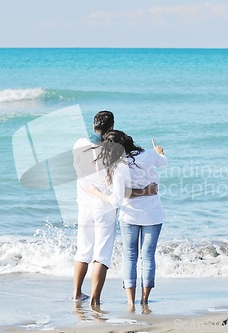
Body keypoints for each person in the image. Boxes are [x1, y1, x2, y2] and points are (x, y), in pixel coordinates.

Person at [72, 112, 158, 306]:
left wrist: (90, 189)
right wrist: (144, 191)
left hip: (84, 205)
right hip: (105, 209)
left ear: (93, 125)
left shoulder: (79, 144)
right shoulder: (111, 154)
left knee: (83, 250)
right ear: (111, 128)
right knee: (101, 255)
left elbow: (77, 169)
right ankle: (96, 299)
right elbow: (122, 193)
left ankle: (77, 293)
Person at [87, 130, 167, 305]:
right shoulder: (149, 154)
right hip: (153, 214)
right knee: (148, 256)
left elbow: (116, 201)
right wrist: (159, 152)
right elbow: (163, 163)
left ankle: (131, 302)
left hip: (129, 216)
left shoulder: (120, 166)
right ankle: (145, 300)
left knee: (130, 256)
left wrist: (96, 192)